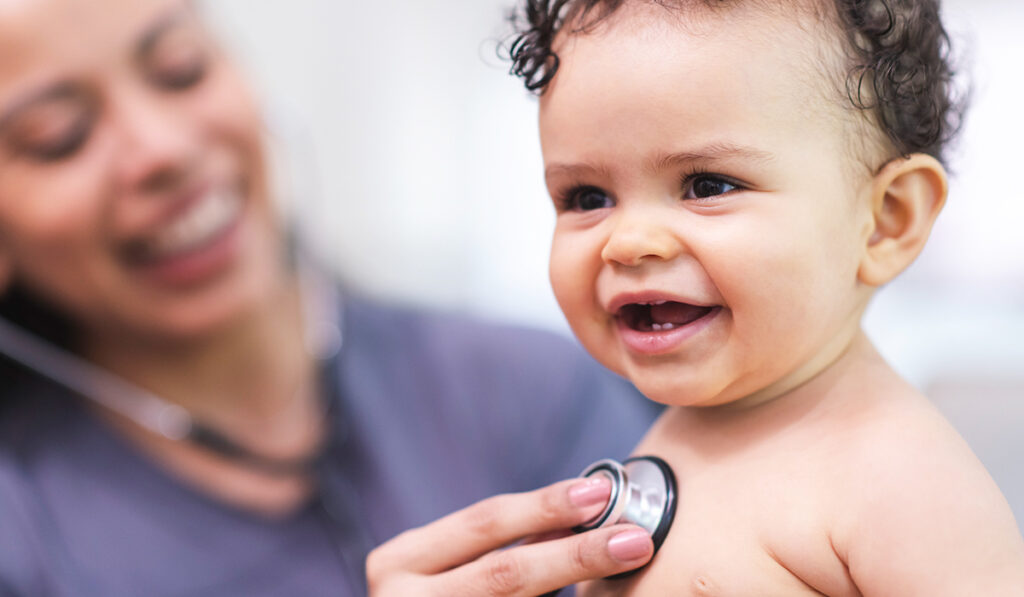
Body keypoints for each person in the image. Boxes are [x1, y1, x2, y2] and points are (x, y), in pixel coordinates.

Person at [0, 0, 663, 595]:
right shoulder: (21, 536)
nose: (162, 151)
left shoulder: (531, 389)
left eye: (182, 70)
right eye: (57, 137)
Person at [505, 0, 1024, 594]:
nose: (627, 243)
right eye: (587, 198)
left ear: (886, 220)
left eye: (708, 185)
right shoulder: (679, 431)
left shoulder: (900, 479)